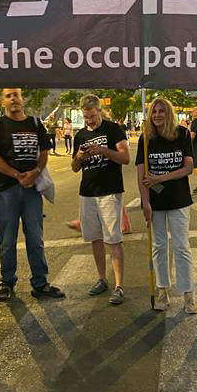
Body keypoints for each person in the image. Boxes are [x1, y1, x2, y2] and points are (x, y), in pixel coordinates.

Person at [0, 87, 63, 301]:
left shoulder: (35, 123)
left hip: (31, 190)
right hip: (6, 190)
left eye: (17, 95)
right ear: (3, 102)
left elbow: (44, 152)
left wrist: (35, 172)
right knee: (7, 239)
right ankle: (7, 281)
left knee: (35, 238)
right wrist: (16, 175)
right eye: (9, 96)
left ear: (22, 99)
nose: (14, 99)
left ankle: (40, 283)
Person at [137, 97, 196, 313]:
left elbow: (188, 167)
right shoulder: (146, 139)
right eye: (154, 112)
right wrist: (145, 202)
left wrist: (160, 178)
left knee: (181, 246)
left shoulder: (181, 134)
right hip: (156, 202)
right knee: (159, 246)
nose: (158, 115)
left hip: (179, 199)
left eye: (162, 111)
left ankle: (188, 294)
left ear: (168, 113)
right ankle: (162, 290)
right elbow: (141, 173)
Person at [72, 94, 130, 304]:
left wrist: (104, 150)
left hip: (110, 191)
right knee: (94, 238)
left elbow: (125, 158)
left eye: (93, 116)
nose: (89, 120)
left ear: (99, 111)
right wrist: (80, 156)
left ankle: (119, 285)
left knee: (113, 239)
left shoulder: (113, 129)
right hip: (87, 192)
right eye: (86, 117)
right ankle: (101, 279)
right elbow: (74, 167)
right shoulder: (79, 135)